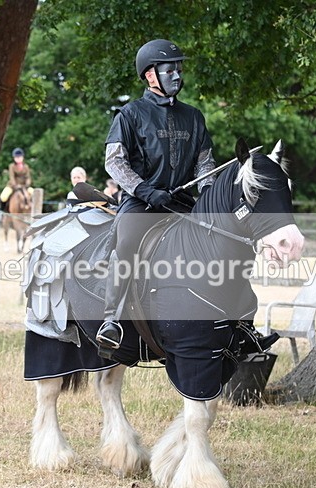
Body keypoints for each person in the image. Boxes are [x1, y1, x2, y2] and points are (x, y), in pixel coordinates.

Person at [95, 39, 217, 351]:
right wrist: (146, 190)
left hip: (183, 204)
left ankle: (235, 322)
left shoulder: (194, 116)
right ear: (150, 75)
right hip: (141, 203)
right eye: (169, 69)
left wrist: (210, 199)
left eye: (179, 68)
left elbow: (205, 164)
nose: (177, 74)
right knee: (126, 244)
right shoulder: (129, 114)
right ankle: (111, 320)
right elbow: (114, 162)